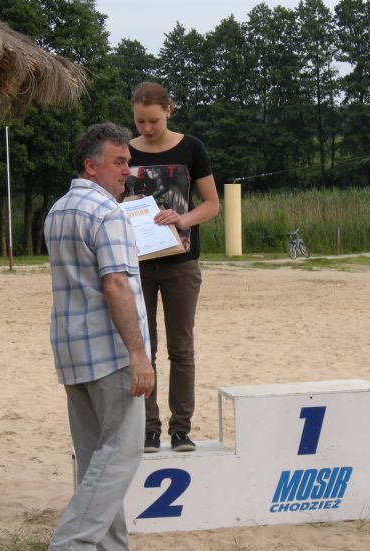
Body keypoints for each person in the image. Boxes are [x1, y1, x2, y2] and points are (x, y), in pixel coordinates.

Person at [44, 123, 154, 551]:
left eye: (127, 162)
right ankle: (74, 540)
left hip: (71, 346)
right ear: (91, 166)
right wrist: (139, 354)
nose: (127, 171)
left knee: (93, 453)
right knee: (124, 448)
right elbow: (116, 285)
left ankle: (108, 546)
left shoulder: (58, 210)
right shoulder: (109, 214)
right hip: (109, 350)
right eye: (119, 162)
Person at [127, 82, 220, 454]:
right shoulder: (125, 151)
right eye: (140, 121)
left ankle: (181, 429)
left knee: (181, 349)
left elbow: (211, 204)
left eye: (153, 120)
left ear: (169, 109)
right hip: (137, 266)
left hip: (181, 264)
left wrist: (182, 220)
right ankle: (148, 429)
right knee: (142, 349)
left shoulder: (191, 148)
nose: (147, 128)